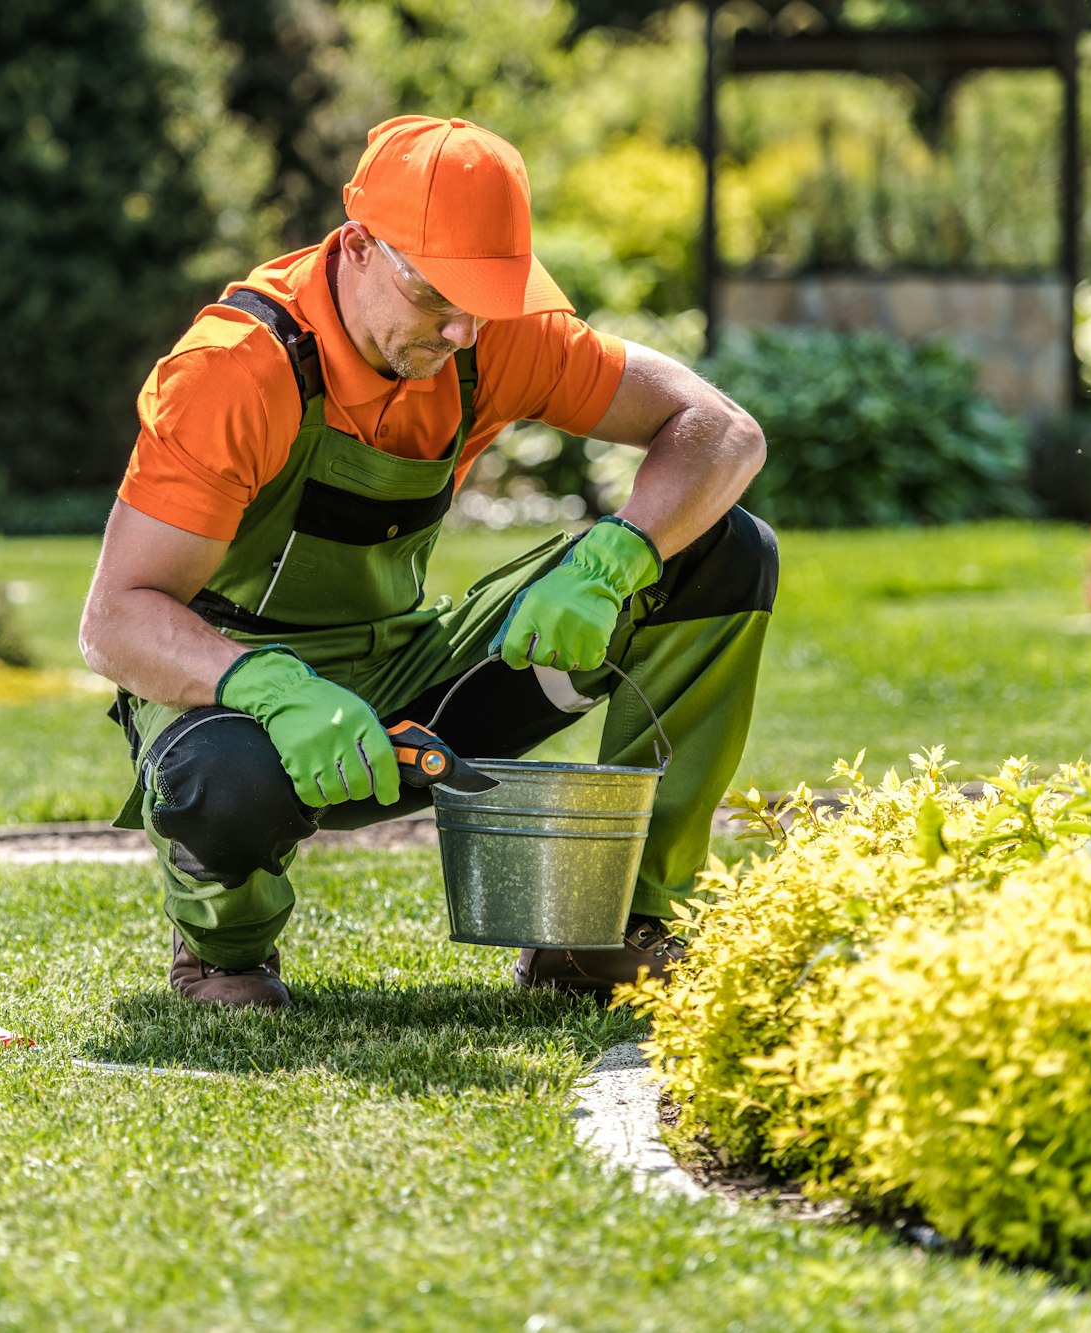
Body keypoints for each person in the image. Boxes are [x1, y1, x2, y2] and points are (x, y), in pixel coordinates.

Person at [79, 115, 776, 1009]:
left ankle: (613, 932)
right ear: (361, 244)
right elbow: (116, 619)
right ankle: (225, 954)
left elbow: (723, 431)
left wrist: (616, 557)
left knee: (725, 549)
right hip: (235, 705)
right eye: (438, 296)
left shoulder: (490, 335)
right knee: (220, 783)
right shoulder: (235, 371)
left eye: (483, 301)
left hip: (412, 676)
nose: (460, 331)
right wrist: (273, 688)